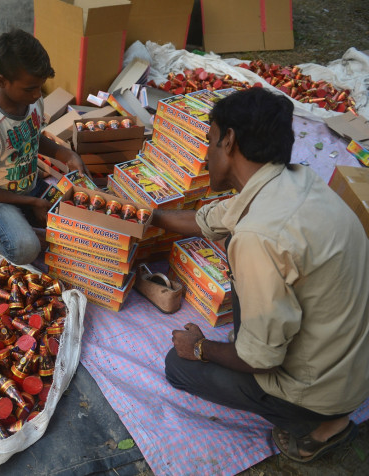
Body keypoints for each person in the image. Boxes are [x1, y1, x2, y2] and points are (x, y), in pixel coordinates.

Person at [151, 87, 369, 462]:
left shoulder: (258, 236)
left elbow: (261, 359)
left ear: (229, 140)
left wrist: (201, 349)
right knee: (242, 265)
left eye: (209, 142)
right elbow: (208, 221)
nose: (205, 157)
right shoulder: (297, 181)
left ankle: (322, 426)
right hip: (351, 359)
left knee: (177, 365)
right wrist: (146, 217)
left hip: (323, 391)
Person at [0, 29, 87, 265]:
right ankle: (0, 234)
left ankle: (24, 218)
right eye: (29, 88)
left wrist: (67, 154)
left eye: (40, 87)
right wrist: (32, 203)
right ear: (2, 81)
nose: (36, 94)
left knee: (80, 216)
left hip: (28, 187)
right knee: (25, 249)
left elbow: (33, 137)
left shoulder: (33, 102)